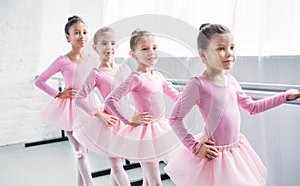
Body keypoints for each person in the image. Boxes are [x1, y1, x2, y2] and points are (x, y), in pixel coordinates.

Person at [164, 23, 300, 186]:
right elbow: (175, 118)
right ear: (203, 54)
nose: (229, 53)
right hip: (215, 156)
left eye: (232, 47)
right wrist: (195, 147)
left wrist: (283, 97)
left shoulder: (231, 81)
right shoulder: (198, 84)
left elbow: (252, 107)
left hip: (236, 152)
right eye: (221, 48)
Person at [104, 29, 180, 186]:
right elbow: (110, 100)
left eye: (154, 47)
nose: (151, 52)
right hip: (144, 133)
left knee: (149, 178)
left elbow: (178, 97)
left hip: (160, 128)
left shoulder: (158, 76)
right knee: (155, 180)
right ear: (133, 54)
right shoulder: (136, 78)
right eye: (145, 49)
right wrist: (128, 119)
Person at [35, 16, 97, 186]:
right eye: (76, 33)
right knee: (80, 152)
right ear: (67, 37)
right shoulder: (62, 61)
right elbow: (40, 81)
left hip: (87, 107)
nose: (82, 36)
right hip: (69, 111)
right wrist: (58, 94)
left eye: (84, 32)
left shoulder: (91, 59)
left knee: (83, 151)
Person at [73, 27, 132, 186]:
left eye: (112, 43)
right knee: (116, 164)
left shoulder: (124, 69)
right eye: (104, 43)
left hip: (126, 120)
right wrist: (100, 114)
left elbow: (133, 94)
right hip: (110, 122)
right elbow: (78, 98)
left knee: (118, 161)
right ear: (95, 47)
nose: (109, 47)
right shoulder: (96, 73)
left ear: (117, 46)